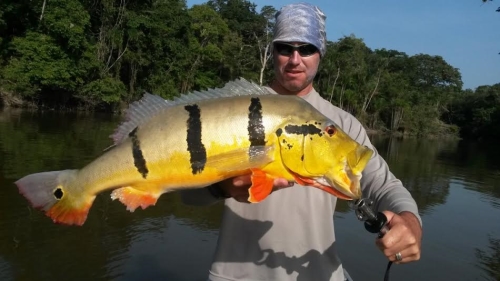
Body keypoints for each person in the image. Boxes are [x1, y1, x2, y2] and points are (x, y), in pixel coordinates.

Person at [181, 3, 422, 280]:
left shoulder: (341, 125)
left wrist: (411, 222)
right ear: (273, 52)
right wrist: (221, 188)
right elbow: (188, 195)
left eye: (306, 49)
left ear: (320, 53)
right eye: (285, 48)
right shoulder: (235, 113)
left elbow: (384, 185)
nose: (295, 59)